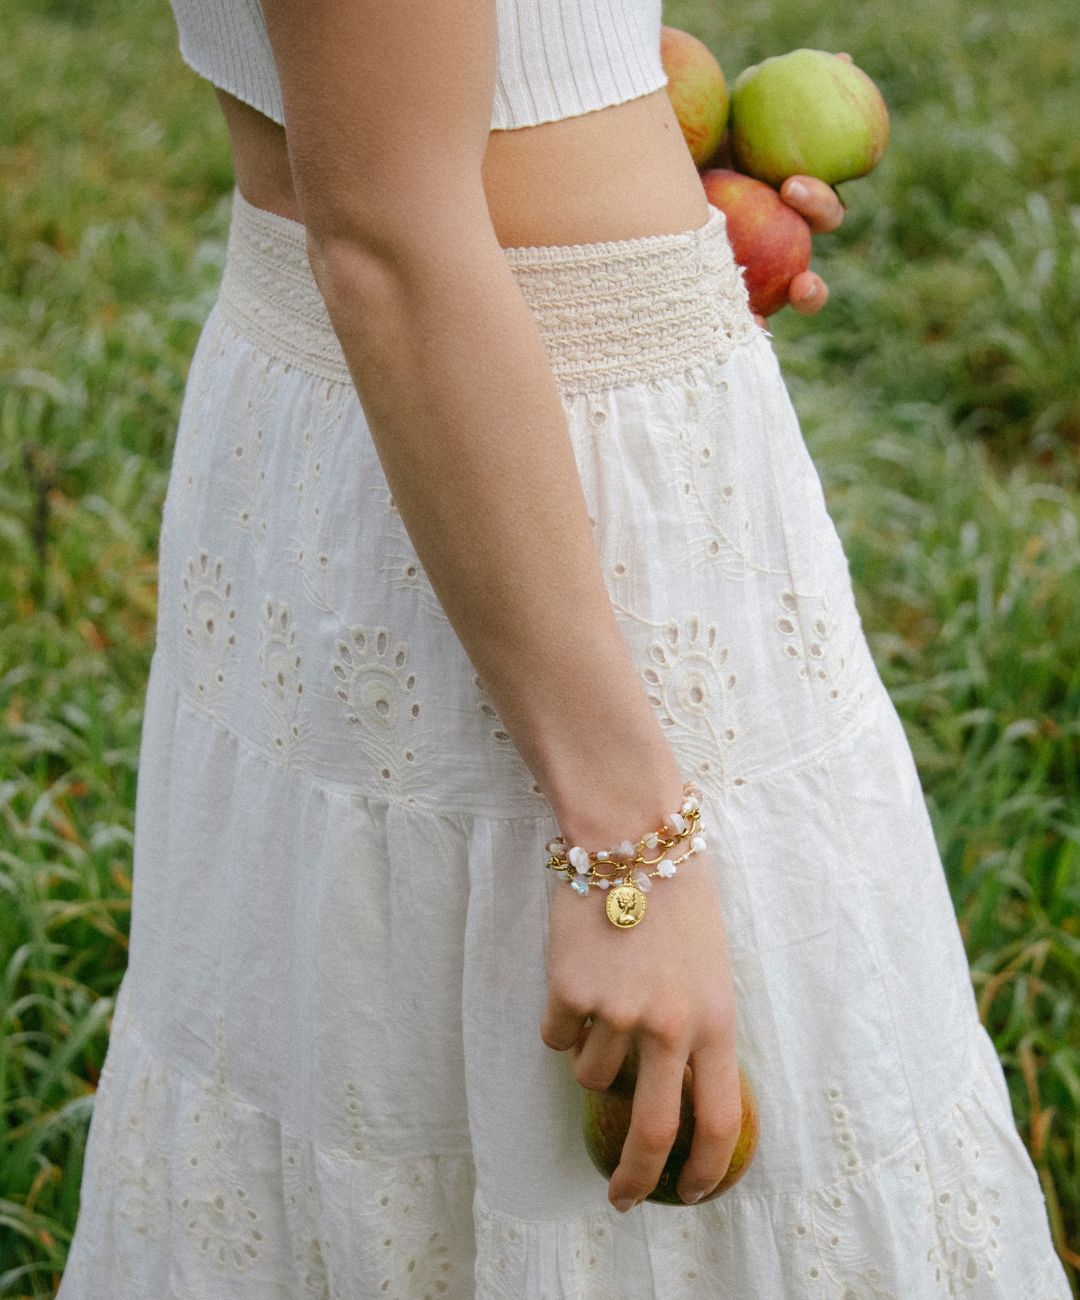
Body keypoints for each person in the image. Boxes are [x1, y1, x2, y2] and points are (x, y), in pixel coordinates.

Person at [56, 0, 1071, 1296]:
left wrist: (661, 183)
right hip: (537, 548)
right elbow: (388, 241)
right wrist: (629, 837)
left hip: (478, 441)